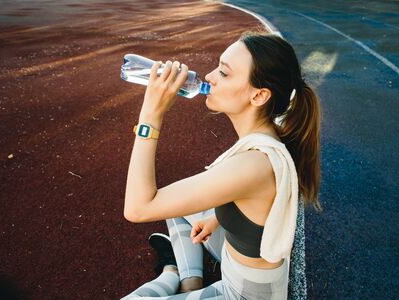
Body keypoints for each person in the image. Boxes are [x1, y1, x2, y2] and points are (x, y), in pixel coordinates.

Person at [121, 31, 323, 300]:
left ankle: (170, 273)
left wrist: (151, 114)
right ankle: (190, 283)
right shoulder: (270, 135)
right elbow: (261, 199)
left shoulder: (253, 165)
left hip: (242, 295)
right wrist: (216, 217)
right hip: (234, 261)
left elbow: (137, 208)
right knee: (175, 207)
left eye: (224, 73)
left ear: (259, 96)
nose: (209, 77)